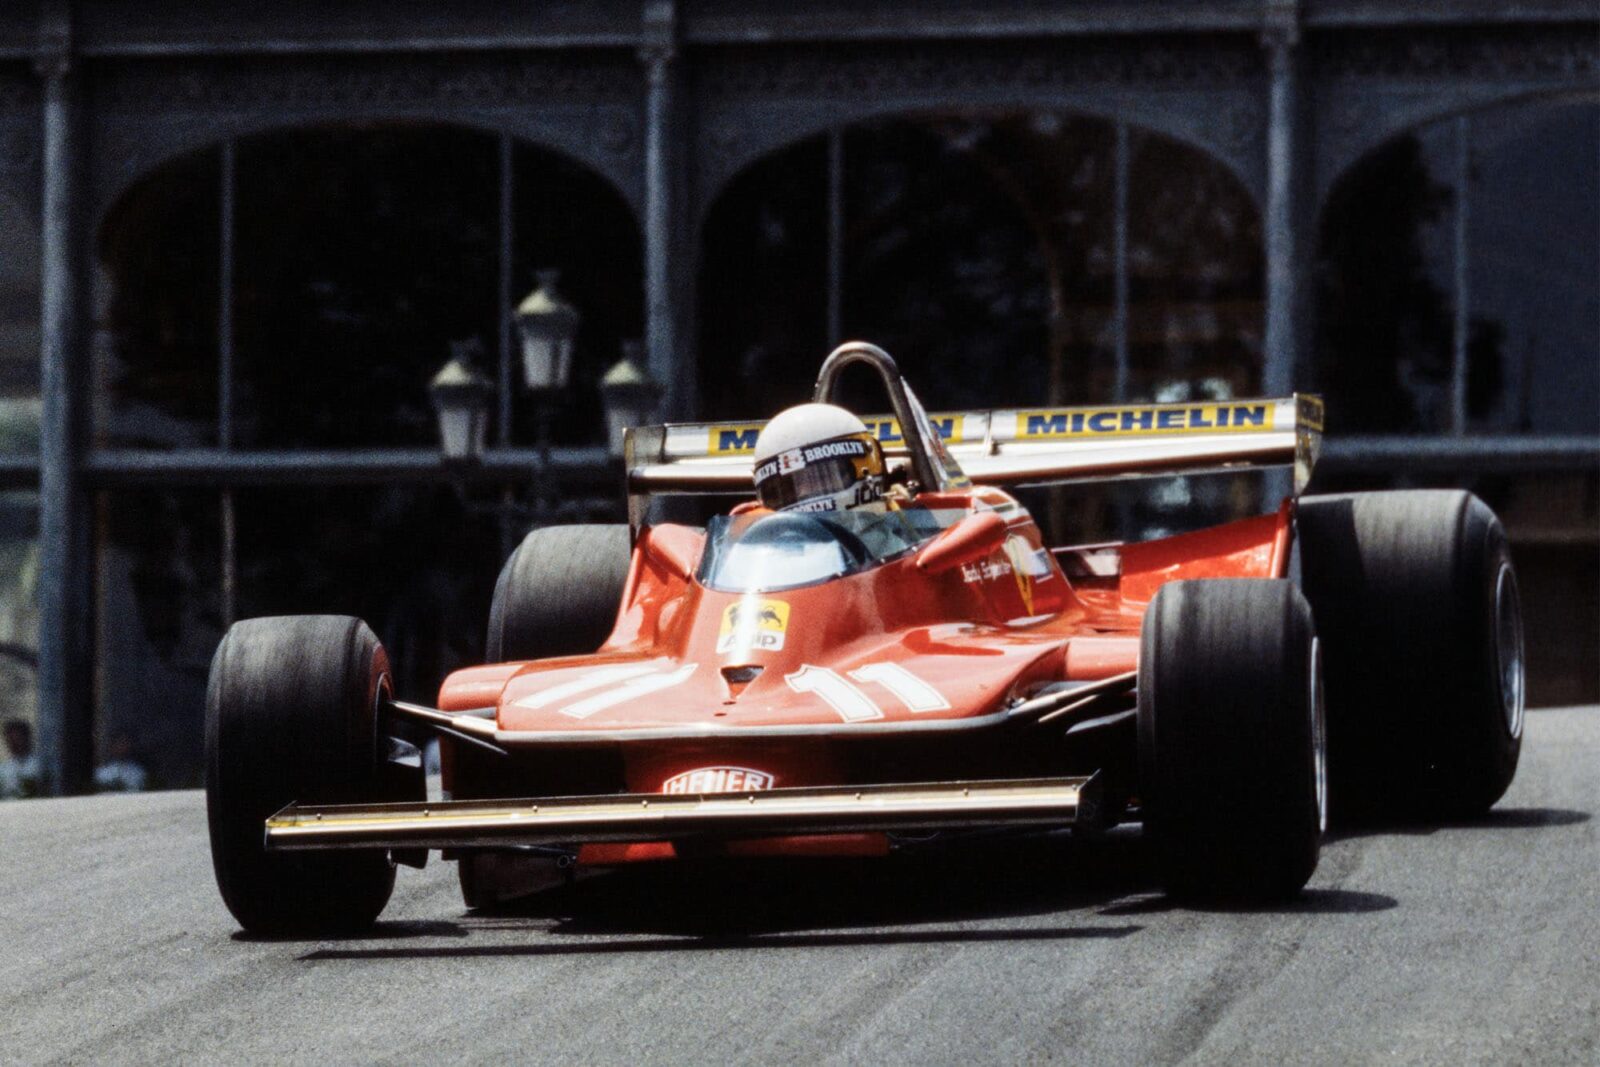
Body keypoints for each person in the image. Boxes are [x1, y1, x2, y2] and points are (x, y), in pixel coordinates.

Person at [750, 403, 891, 514]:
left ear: (867, 475)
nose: (803, 493)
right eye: (787, 489)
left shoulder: (908, 546)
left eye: (821, 478)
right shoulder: (760, 546)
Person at [0, 719, 39, 799]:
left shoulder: (39, 765)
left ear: (27, 738)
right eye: (10, 740)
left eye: (17, 739)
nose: (13, 744)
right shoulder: (4, 769)